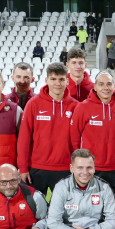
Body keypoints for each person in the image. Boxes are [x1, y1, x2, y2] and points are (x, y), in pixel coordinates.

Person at [17, 62, 78, 196]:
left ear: (67, 81)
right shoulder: (33, 104)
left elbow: (77, 142)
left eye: (61, 79)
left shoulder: (75, 106)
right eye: (53, 79)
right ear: (46, 80)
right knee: (35, 212)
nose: (57, 83)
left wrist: (76, 165)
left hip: (65, 168)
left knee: (64, 213)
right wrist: (22, 167)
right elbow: (24, 137)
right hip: (36, 168)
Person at [70, 72, 115, 202]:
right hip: (92, 168)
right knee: (91, 206)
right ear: (95, 87)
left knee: (114, 206)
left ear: (113, 86)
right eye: (101, 84)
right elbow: (74, 137)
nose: (105, 87)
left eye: (109, 84)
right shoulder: (83, 107)